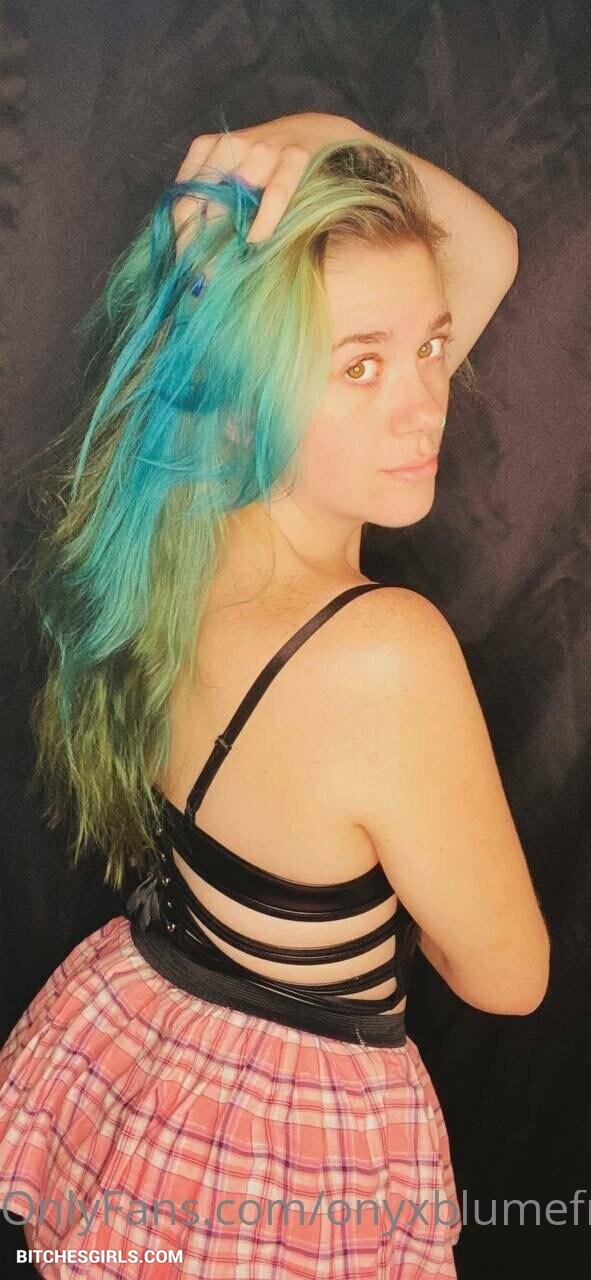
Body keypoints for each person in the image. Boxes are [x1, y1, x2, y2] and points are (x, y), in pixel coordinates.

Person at [0, 113, 550, 1279]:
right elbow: (510, 976)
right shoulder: (382, 654)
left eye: (431, 347)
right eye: (360, 365)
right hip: (286, 1139)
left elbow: (487, 253)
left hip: (159, 1040)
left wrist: (318, 142)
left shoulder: (173, 531)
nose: (426, 402)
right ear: (244, 392)